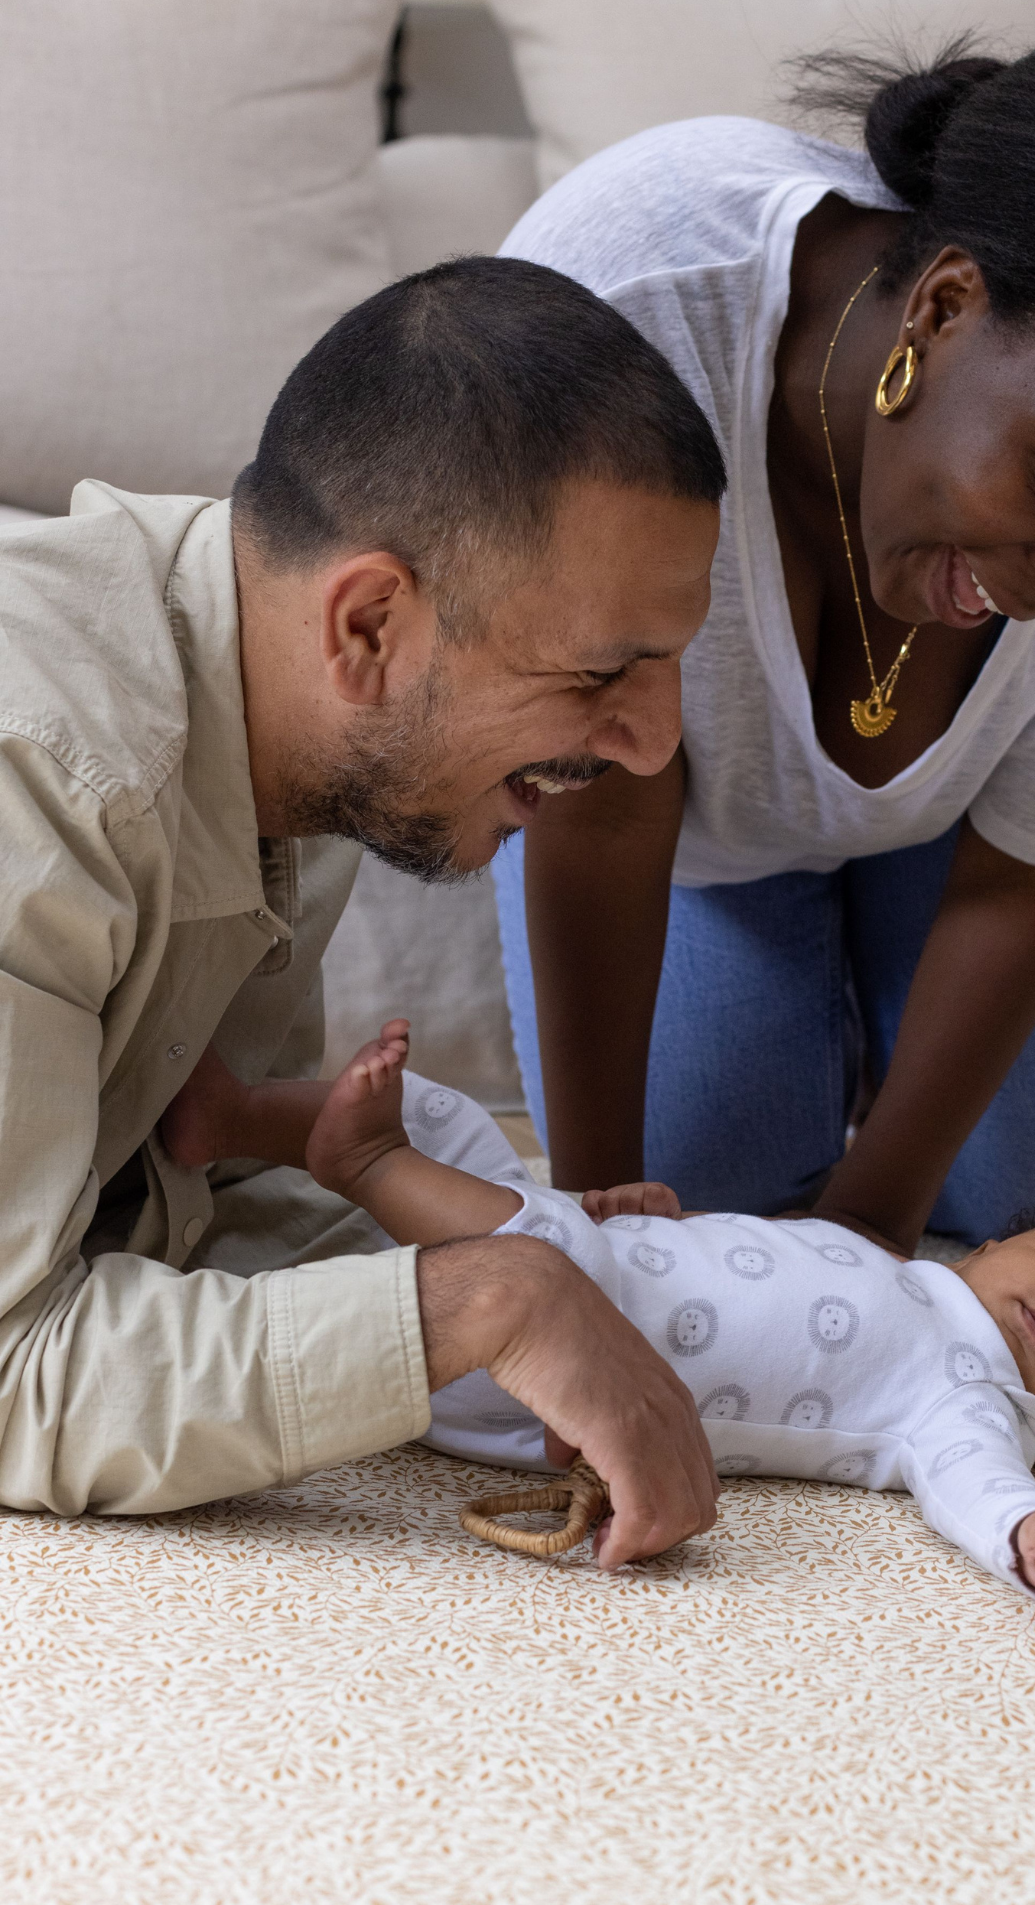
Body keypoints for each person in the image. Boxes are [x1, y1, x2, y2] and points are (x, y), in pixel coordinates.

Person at [491, 39, 1035, 1255]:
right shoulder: (628, 311)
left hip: (975, 841)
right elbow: (604, 799)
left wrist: (871, 1224)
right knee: (698, 1183)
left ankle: (871, 1001)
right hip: (650, 814)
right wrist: (594, 1233)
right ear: (943, 308)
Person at [0, 257, 729, 1560]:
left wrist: (564, 1262)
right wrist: (485, 1301)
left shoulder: (288, 738)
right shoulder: (43, 773)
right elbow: (12, 1370)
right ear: (370, 625)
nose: (654, 743)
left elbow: (194, 1197)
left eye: (671, 664)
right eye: (606, 673)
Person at [163, 1016, 1035, 1633]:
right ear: (993, 1246)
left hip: (555, 1383)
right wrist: (643, 1226)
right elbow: (754, 1268)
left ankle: (369, 1167)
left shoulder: (975, 1402)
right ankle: (237, 1118)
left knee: (538, 1251)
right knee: (455, 1122)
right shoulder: (905, 1271)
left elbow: (972, 1481)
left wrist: (1032, 1537)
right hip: (591, 1266)